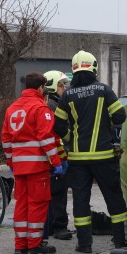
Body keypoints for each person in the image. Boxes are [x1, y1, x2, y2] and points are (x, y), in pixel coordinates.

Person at [54, 50, 127, 253]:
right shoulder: (103, 90)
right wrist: (106, 125)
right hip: (104, 156)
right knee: (113, 198)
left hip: (77, 159)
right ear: (94, 67)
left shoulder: (67, 94)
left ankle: (84, 244)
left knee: (80, 201)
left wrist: (70, 139)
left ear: (74, 70)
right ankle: (121, 241)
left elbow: (58, 126)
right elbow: (120, 115)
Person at [1, 72, 64, 254]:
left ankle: (20, 244)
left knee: (22, 204)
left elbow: (5, 139)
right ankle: (34, 245)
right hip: (37, 167)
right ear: (41, 88)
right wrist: (56, 162)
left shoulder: (11, 108)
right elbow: (45, 139)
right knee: (37, 204)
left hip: (19, 167)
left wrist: (12, 161)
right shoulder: (40, 108)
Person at [43, 71, 72, 241]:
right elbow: (57, 135)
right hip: (56, 156)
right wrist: (61, 159)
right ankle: (59, 226)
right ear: (53, 86)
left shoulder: (52, 103)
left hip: (52, 156)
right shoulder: (54, 106)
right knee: (59, 191)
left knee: (53, 192)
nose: (64, 88)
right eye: (61, 85)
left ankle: (52, 226)